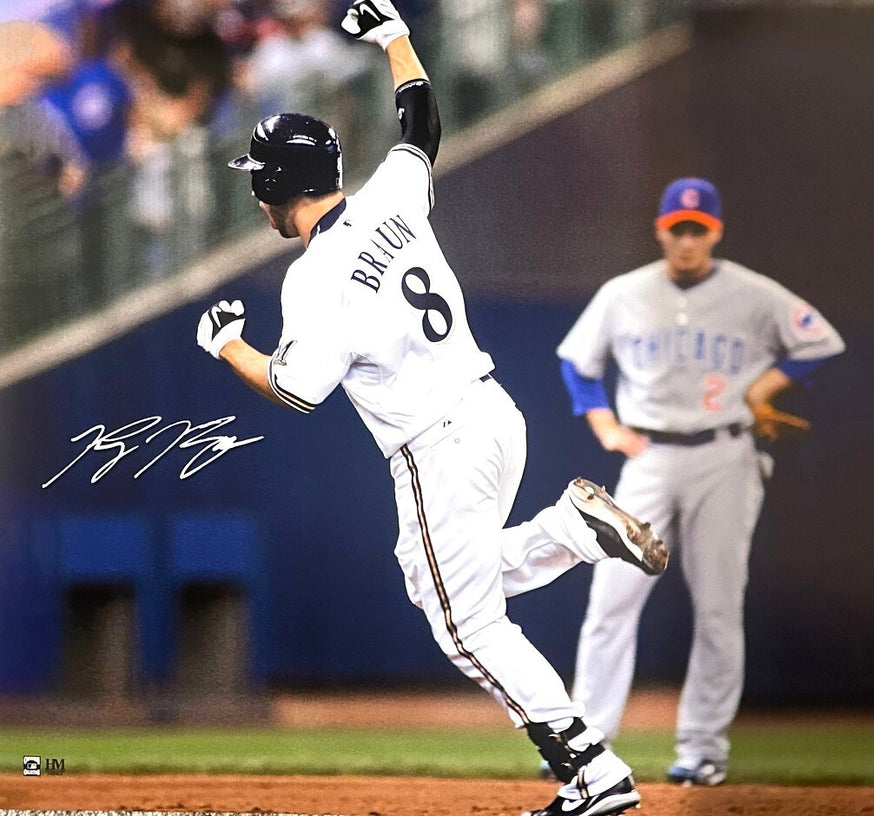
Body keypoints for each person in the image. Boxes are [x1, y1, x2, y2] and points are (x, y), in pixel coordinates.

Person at [195, 3, 668, 815]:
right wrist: (394, 36)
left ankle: (594, 772)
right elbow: (420, 124)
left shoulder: (313, 279)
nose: (255, 195)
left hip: (436, 446)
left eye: (257, 180)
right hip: (493, 414)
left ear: (274, 186)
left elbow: (298, 389)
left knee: (465, 625)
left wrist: (228, 347)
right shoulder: (390, 197)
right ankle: (569, 532)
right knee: (448, 586)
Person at [556, 177, 846, 785]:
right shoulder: (624, 293)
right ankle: (586, 744)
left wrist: (763, 387)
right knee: (610, 600)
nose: (687, 240)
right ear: (661, 231)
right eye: (678, 229)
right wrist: (605, 425)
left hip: (725, 455)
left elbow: (821, 342)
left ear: (715, 233)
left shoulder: (752, 293)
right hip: (650, 456)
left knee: (718, 606)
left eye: (698, 230)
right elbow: (577, 361)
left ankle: (703, 749)